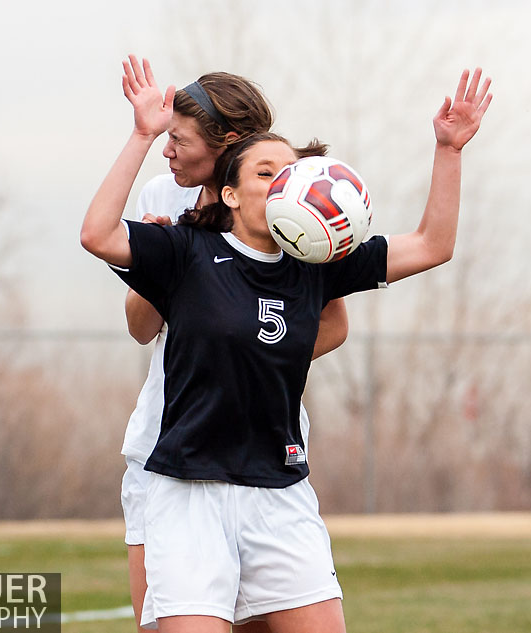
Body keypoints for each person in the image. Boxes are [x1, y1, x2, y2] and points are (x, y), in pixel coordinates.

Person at [81, 57, 491, 633]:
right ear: (228, 192)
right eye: (266, 172)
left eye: (291, 169)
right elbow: (99, 240)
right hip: (182, 479)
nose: (286, 179)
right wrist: (143, 136)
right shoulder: (184, 248)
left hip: (278, 485)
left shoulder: (312, 262)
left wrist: (449, 151)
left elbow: (431, 244)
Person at [113, 57, 348, 632]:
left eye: (180, 139)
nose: (168, 150)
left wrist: (255, 355)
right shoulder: (162, 195)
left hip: (265, 455)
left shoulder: (291, 207)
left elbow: (335, 324)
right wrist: (168, 265)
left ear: (230, 143)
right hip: (168, 446)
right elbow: (141, 328)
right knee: (160, 620)